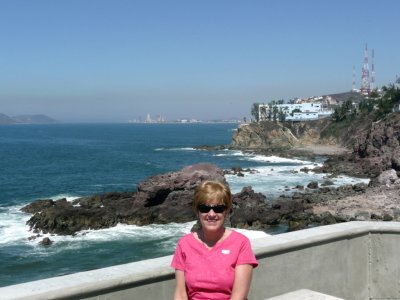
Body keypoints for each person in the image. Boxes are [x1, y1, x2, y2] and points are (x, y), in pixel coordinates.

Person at [171, 180, 258, 300]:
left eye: (218, 208)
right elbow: (180, 295)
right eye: (204, 208)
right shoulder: (184, 244)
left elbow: (238, 296)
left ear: (226, 211)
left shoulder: (240, 243)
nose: (211, 214)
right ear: (197, 211)